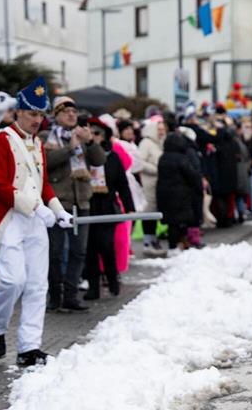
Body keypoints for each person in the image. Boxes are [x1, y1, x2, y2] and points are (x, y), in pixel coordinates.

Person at [0, 78, 73, 366]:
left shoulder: (37, 144)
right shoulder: (1, 139)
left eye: (41, 115)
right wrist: (37, 207)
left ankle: (29, 348)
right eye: (32, 114)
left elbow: (42, 184)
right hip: (10, 219)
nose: (37, 120)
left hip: (35, 220)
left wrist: (57, 210)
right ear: (18, 112)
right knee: (12, 281)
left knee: (36, 285)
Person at [43, 96, 107, 312]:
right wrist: (70, 148)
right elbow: (47, 162)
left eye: (73, 112)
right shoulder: (46, 137)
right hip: (59, 203)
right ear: (56, 115)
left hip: (82, 201)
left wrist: (89, 142)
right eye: (66, 112)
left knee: (79, 252)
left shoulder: (81, 135)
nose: (71, 115)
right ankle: (55, 297)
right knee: (56, 251)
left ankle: (71, 295)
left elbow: (99, 161)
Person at [83, 118, 134, 300]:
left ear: (104, 136)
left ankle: (113, 279)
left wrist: (130, 208)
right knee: (89, 248)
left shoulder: (112, 157)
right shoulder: (83, 155)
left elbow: (122, 183)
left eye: (97, 133)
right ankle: (93, 287)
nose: (93, 137)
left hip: (106, 205)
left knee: (106, 245)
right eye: (91, 133)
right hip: (88, 205)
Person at [156, 131, 203, 251]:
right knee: (180, 221)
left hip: (165, 193)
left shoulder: (163, 157)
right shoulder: (182, 158)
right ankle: (178, 245)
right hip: (181, 194)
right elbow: (192, 176)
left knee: (172, 222)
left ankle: (173, 247)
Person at [138, 117, 166, 255]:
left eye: (163, 129)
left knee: (154, 213)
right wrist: (156, 169)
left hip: (157, 184)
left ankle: (153, 239)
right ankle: (148, 241)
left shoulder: (159, 143)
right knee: (148, 213)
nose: (162, 132)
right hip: (147, 183)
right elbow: (139, 162)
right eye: (159, 129)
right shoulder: (146, 143)